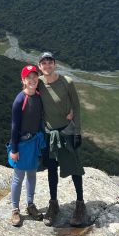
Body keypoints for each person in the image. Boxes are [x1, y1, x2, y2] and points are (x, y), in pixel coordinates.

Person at [37, 51, 86, 227]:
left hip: (67, 131)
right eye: (44, 63)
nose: (47, 65)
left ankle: (80, 204)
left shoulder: (67, 82)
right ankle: (53, 204)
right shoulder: (39, 83)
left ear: (54, 64)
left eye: (50, 62)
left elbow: (77, 107)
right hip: (50, 133)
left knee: (74, 168)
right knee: (51, 169)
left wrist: (78, 131)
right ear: (40, 67)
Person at [8, 64, 45, 227]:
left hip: (34, 142)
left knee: (32, 174)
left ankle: (30, 204)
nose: (32, 80)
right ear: (23, 80)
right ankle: (15, 209)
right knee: (18, 177)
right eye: (28, 78)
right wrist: (14, 149)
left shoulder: (38, 96)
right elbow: (14, 127)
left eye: (34, 77)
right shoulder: (20, 100)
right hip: (22, 144)